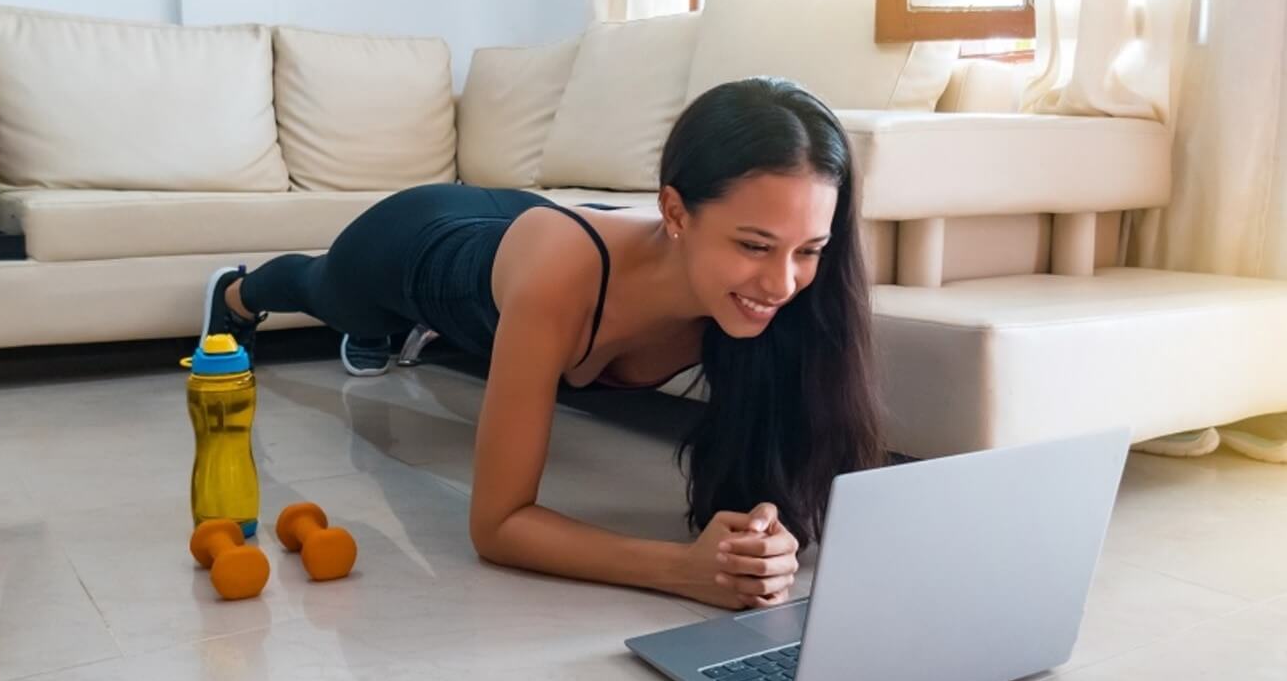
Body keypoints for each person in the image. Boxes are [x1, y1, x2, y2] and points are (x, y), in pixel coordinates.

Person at [200, 77, 885, 609]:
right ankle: (236, 292)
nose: (783, 280)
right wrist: (679, 569)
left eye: (809, 249)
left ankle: (379, 332)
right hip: (421, 245)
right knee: (324, 290)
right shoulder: (564, 279)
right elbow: (496, 525)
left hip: (526, 231)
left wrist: (766, 537)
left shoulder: (777, 296)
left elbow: (779, 471)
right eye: (754, 245)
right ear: (676, 212)